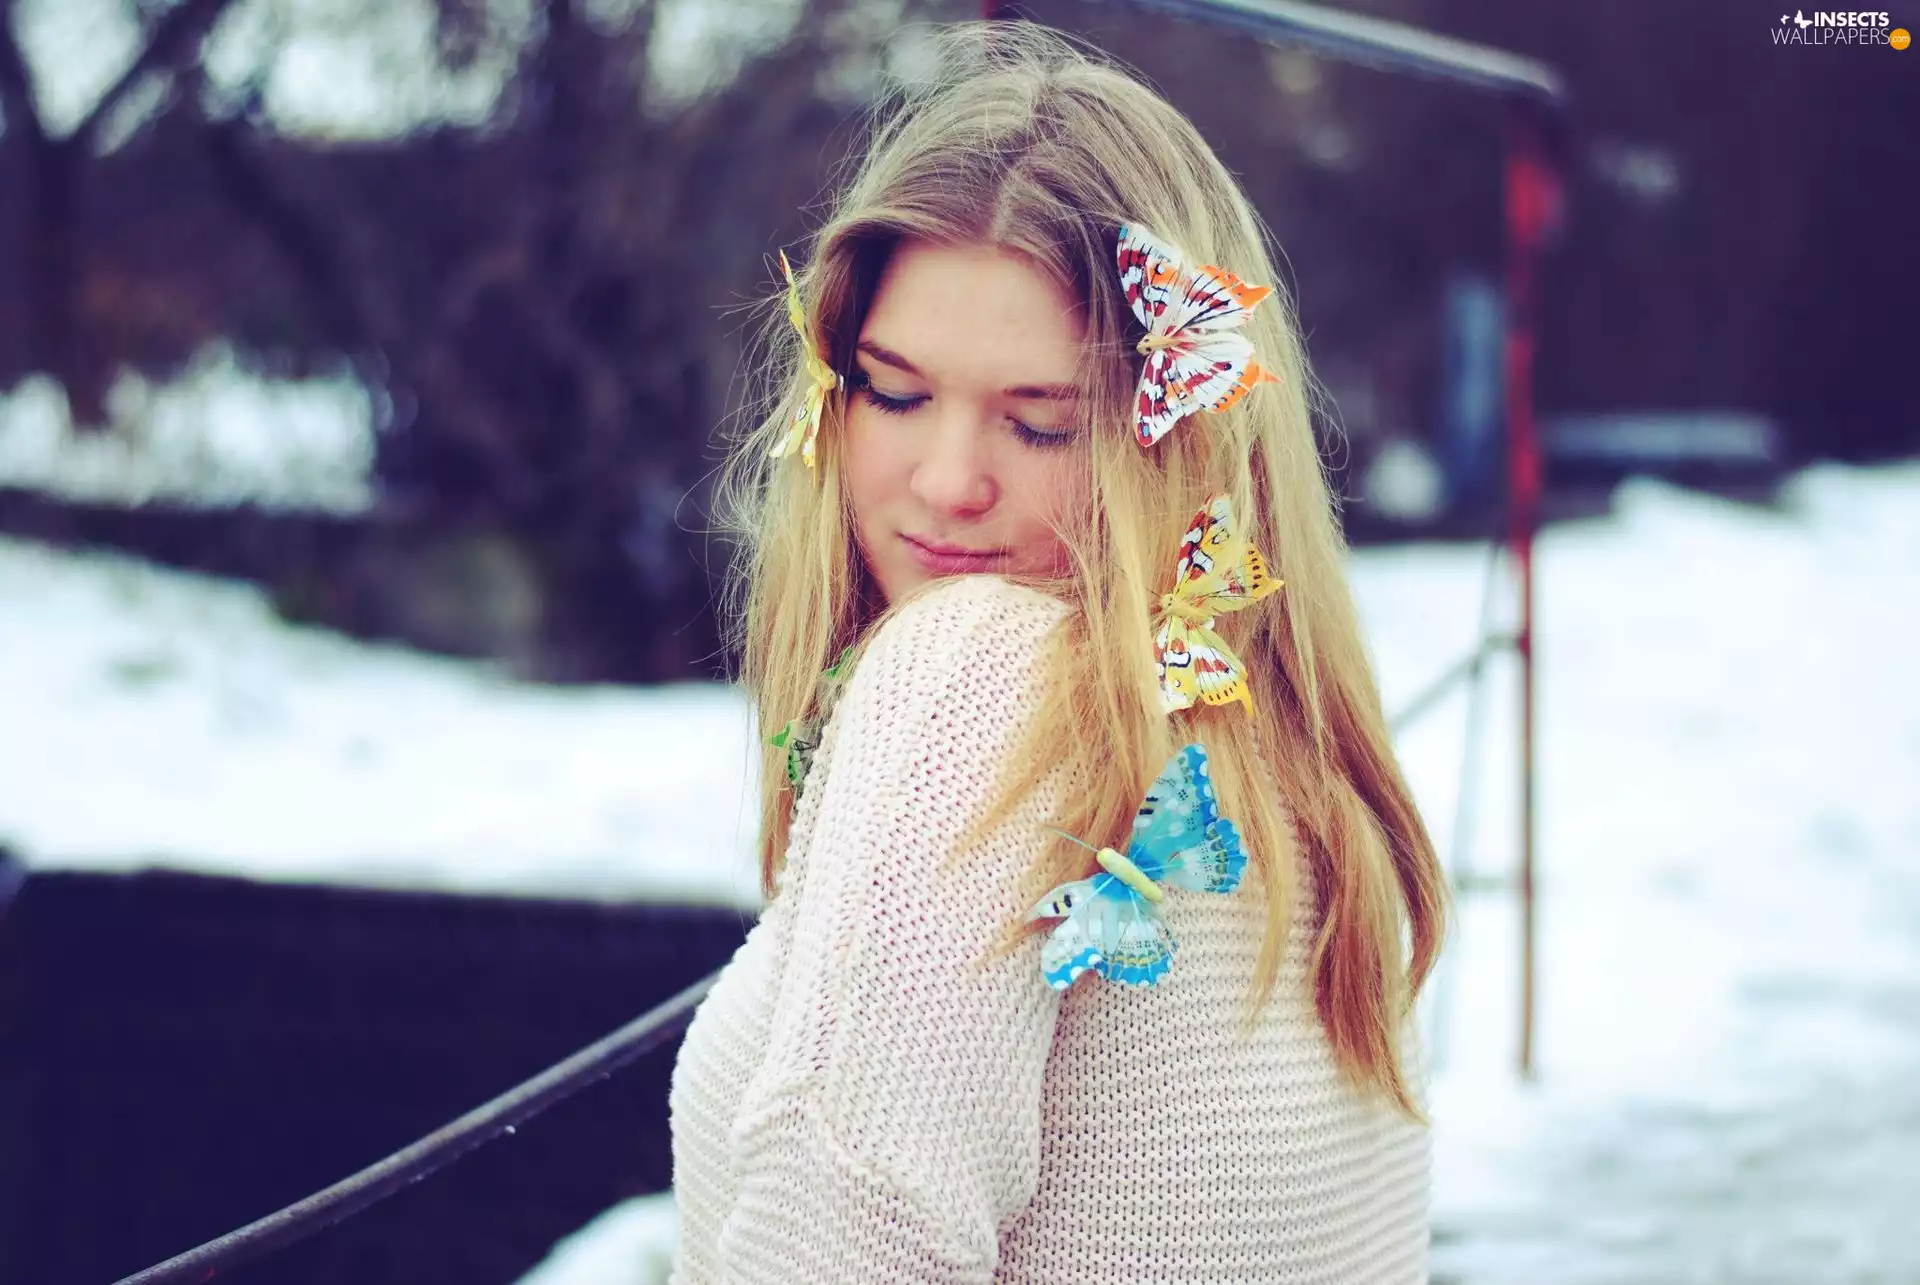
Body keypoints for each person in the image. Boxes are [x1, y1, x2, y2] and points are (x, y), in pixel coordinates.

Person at [668, 20, 1448, 1284]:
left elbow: (839, 1231)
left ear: (1183, 436)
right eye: (897, 392)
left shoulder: (972, 674)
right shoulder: (1291, 756)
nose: (947, 480)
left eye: (1041, 423)